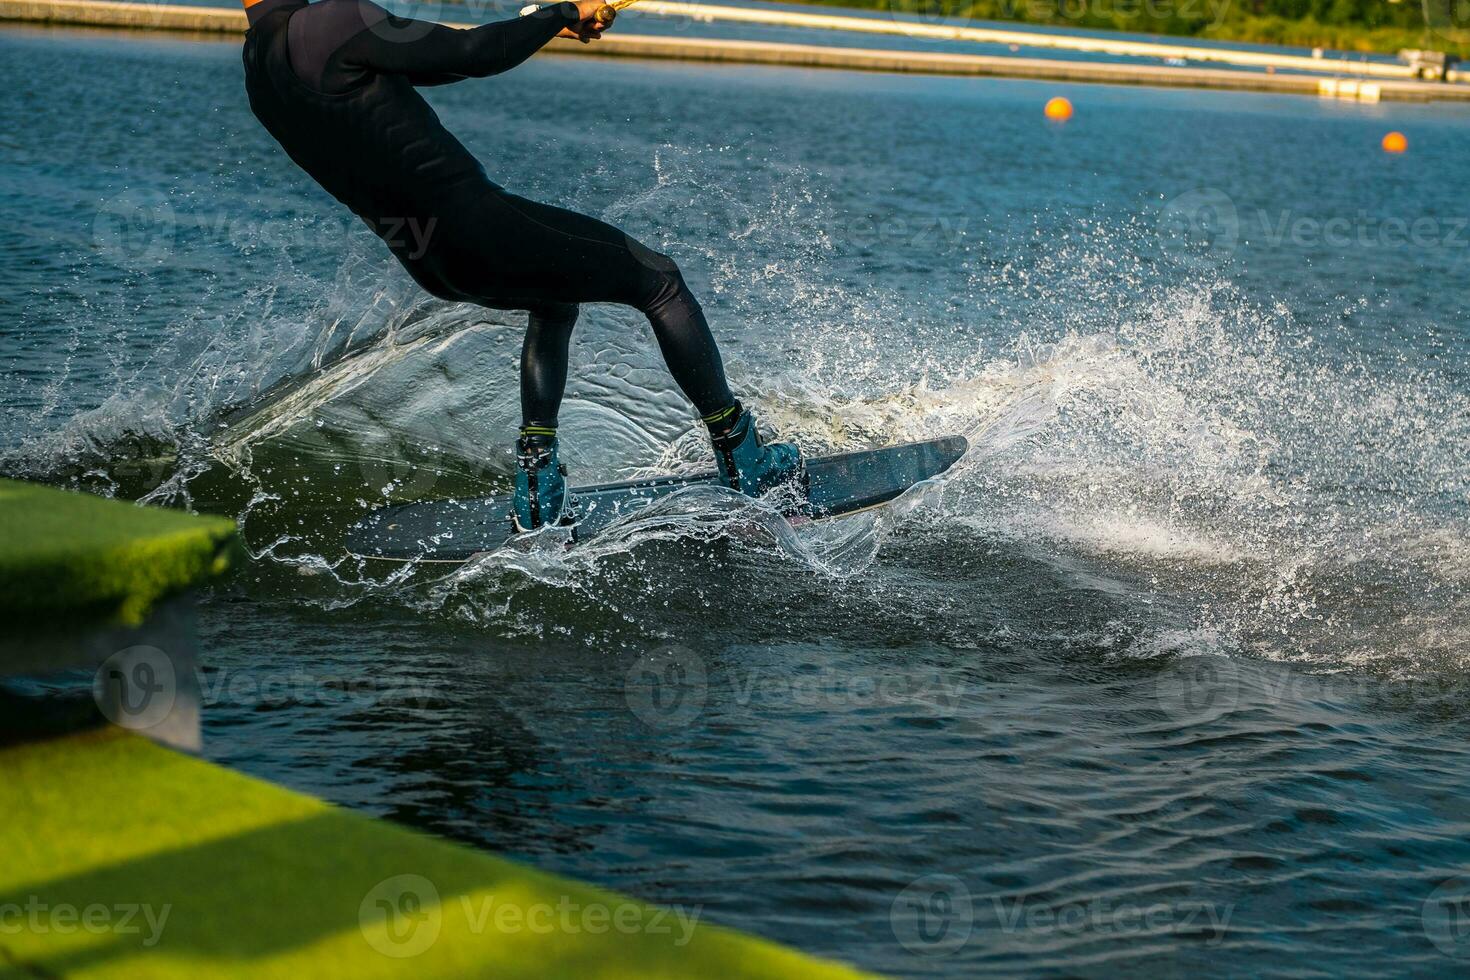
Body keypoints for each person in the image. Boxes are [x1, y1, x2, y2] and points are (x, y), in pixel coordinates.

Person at [240, 0, 803, 531]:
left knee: (553, 298)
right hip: (481, 229)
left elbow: (443, 60)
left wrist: (540, 23)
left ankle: (538, 482)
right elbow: (472, 55)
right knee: (660, 283)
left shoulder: (260, 71)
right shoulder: (330, 23)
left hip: (430, 261)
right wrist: (562, 11)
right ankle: (741, 454)